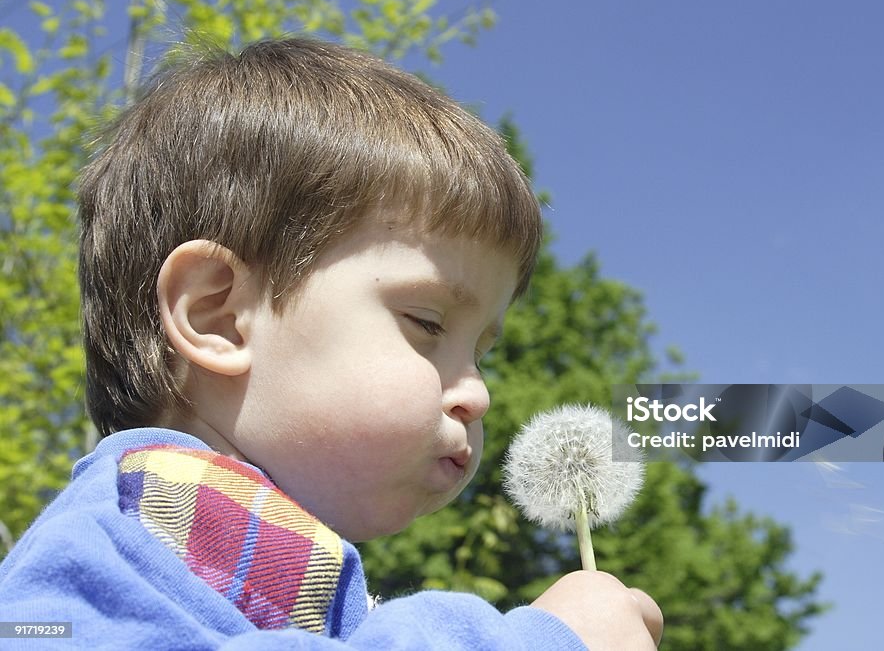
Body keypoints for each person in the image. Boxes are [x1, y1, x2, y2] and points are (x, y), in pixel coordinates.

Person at [0, 37, 662, 649]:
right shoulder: (123, 535)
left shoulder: (232, 560)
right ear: (218, 316)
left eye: (480, 352)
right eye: (427, 323)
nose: (478, 393)